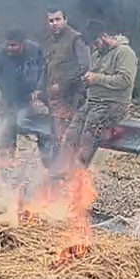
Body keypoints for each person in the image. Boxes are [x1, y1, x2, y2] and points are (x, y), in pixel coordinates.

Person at [67, 17, 137, 169]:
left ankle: (80, 172)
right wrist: (86, 80)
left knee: (88, 135)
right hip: (93, 102)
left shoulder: (124, 53)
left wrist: (97, 78)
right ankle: (65, 168)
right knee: (71, 133)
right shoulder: (97, 55)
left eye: (96, 43)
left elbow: (125, 80)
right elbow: (92, 78)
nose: (96, 47)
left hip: (113, 104)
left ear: (104, 36)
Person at [36, 9, 89, 168]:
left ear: (65, 19)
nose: (54, 24)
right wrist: (39, 89)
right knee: (55, 139)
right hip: (54, 101)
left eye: (58, 19)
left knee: (68, 140)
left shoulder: (75, 39)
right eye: (51, 20)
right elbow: (46, 68)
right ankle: (55, 174)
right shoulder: (50, 41)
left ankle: (71, 175)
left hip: (72, 98)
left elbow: (84, 67)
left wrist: (63, 84)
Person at [0, 28, 45, 163]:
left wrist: (39, 92)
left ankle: (47, 158)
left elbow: (45, 71)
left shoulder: (35, 50)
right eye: (7, 45)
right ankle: (5, 159)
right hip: (10, 98)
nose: (9, 48)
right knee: (7, 125)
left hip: (33, 96)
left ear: (22, 43)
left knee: (43, 126)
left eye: (13, 45)